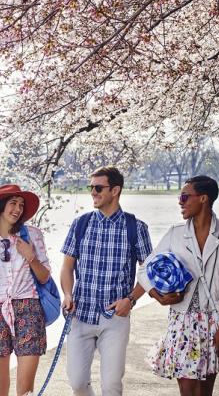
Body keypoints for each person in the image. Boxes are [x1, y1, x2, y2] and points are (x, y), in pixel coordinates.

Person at [138, 175, 219, 396]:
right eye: (180, 197)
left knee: (205, 389)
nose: (180, 202)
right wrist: (159, 297)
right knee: (186, 387)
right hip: (181, 319)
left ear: (203, 198)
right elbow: (144, 270)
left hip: (215, 319)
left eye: (185, 196)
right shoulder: (176, 233)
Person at [60, 166, 153, 396]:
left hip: (115, 318)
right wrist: (68, 295)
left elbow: (149, 272)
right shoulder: (80, 224)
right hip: (80, 315)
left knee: (111, 385)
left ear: (115, 190)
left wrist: (130, 300)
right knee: (78, 383)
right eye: (91, 187)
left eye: (98, 188)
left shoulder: (136, 228)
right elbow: (67, 266)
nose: (93, 192)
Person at [0, 184, 51, 396]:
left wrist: (30, 256)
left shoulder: (33, 235)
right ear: (0, 206)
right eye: (13, 203)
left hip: (29, 309)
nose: (18, 209)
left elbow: (44, 276)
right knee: (0, 388)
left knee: (25, 390)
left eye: (21, 205)